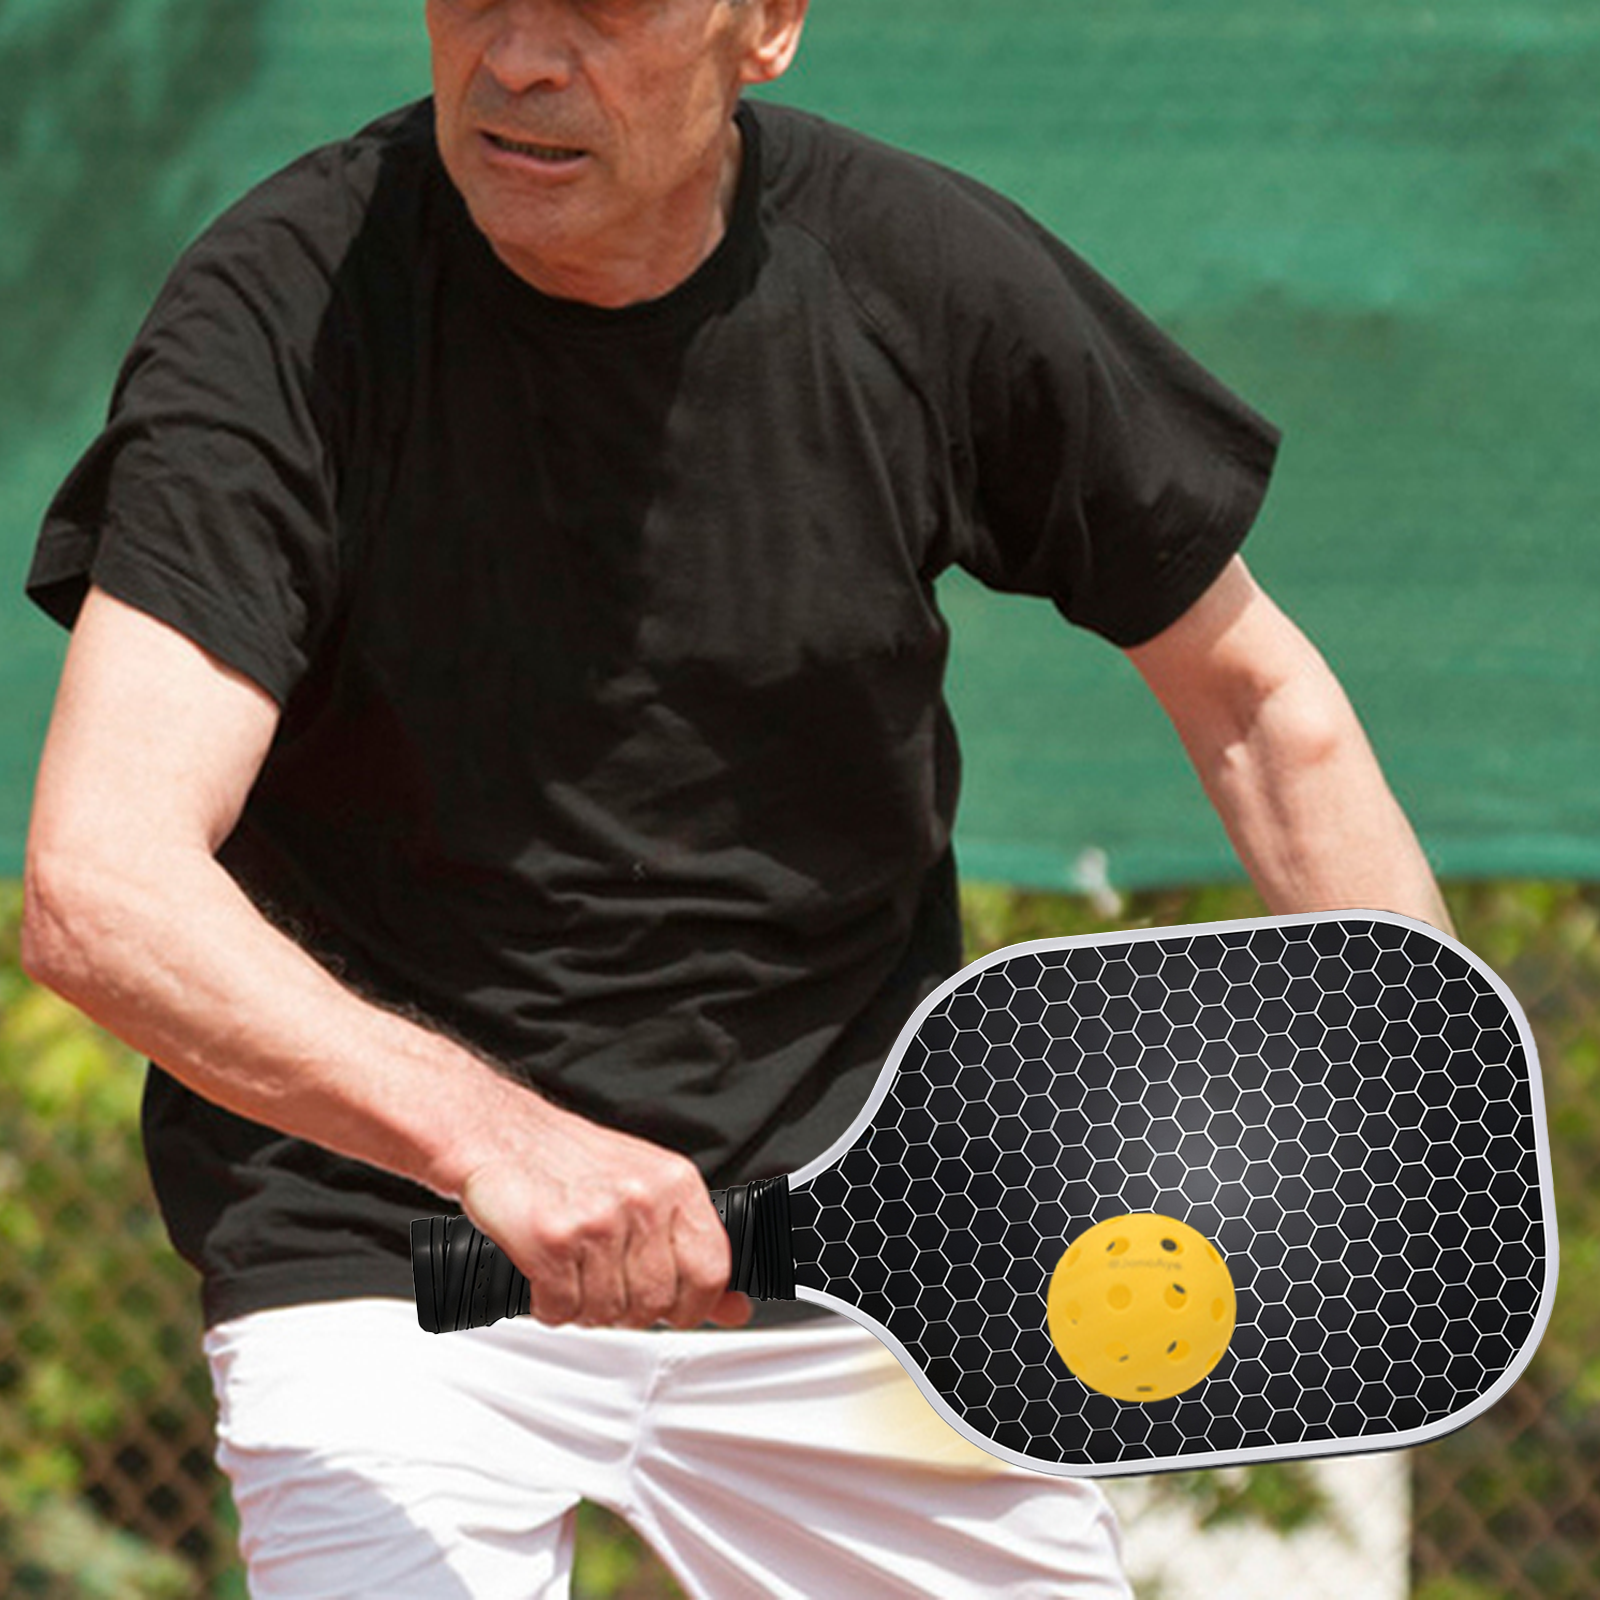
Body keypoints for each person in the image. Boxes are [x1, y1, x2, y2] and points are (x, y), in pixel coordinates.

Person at [20, 0, 1453, 1595]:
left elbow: (1259, 707)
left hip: (866, 1255)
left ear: (763, 26)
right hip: (390, 1252)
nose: (520, 57)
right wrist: (498, 1145)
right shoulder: (282, 308)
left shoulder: (918, 275)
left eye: (604, 7)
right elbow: (105, 885)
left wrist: (1432, 1100)